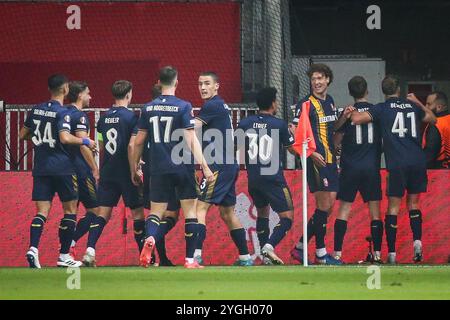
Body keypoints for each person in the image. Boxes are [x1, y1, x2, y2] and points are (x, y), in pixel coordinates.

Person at [131, 66, 214, 269]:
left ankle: (150, 238)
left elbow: (138, 140)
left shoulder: (148, 108)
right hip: (182, 167)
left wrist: (135, 165)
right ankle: (189, 260)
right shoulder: (184, 106)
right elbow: (190, 138)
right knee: (190, 212)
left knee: (156, 213)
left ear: (159, 84)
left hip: (158, 167)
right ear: (176, 83)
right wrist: (204, 165)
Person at [351, 75, 436, 263]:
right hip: (417, 160)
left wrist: (349, 111)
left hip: (397, 162)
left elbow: (357, 119)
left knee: (393, 208)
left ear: (383, 91)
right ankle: (418, 242)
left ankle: (391, 253)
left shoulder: (381, 108)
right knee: (414, 204)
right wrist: (419, 103)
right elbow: (433, 119)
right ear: (399, 89)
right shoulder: (412, 106)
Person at [19, 74, 96, 268]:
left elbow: (22, 134)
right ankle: (63, 256)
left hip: (41, 167)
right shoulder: (64, 112)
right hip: (63, 168)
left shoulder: (36, 109)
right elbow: (65, 138)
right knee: (70, 211)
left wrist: (43, 141)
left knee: (41, 212)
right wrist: (86, 141)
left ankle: (33, 249)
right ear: (65, 89)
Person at [81, 80, 145, 267]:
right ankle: (144, 256)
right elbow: (132, 145)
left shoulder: (103, 118)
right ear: (128, 95)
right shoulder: (132, 117)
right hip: (126, 170)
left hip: (108, 170)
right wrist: (135, 168)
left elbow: (100, 147)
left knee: (103, 213)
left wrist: (100, 168)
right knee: (137, 213)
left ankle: (90, 250)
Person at [194, 71, 253, 266]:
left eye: (207, 83)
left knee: (199, 208)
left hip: (218, 165)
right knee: (227, 213)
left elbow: (193, 127)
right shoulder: (219, 105)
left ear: (216, 86)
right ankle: (245, 257)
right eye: (200, 84)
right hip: (229, 164)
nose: (203, 87)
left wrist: (174, 120)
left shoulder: (212, 105)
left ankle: (194, 256)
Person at [290, 63, 342, 265]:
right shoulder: (306, 103)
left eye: (320, 78)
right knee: (324, 205)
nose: (317, 82)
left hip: (330, 159)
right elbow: (295, 131)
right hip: (315, 160)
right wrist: (310, 154)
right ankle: (320, 254)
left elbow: (331, 128)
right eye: (313, 79)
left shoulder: (329, 101)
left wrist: (344, 118)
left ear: (328, 79)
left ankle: (301, 246)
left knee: (327, 208)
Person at [236, 87, 295, 265]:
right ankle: (269, 246)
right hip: (273, 178)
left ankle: (264, 257)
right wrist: (295, 134)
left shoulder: (245, 123)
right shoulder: (279, 124)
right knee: (287, 217)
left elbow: (236, 147)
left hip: (254, 178)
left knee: (263, 212)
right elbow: (293, 150)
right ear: (272, 103)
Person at [332, 76, 383, 263]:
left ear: (350, 93)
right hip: (371, 167)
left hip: (350, 167)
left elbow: (336, 142)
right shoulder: (376, 111)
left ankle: (337, 254)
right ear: (367, 90)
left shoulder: (347, 114)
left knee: (344, 209)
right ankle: (377, 254)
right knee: (375, 211)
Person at [141, 83, 180, 266]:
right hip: (171, 167)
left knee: (155, 215)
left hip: (150, 169)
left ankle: (161, 257)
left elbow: (135, 143)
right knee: (171, 215)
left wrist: (135, 165)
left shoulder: (146, 113)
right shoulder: (176, 111)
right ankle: (152, 239)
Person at [63, 81, 100, 257]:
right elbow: (83, 145)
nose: (90, 97)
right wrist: (94, 168)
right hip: (81, 171)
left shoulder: (63, 113)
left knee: (70, 212)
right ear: (80, 95)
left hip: (64, 171)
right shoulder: (80, 116)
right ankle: (70, 241)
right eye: (88, 93)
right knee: (95, 211)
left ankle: (64, 252)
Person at [409, 91, 450, 169]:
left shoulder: (436, 124)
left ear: (439, 107)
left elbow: (430, 154)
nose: (426, 107)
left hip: (439, 172)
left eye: (429, 104)